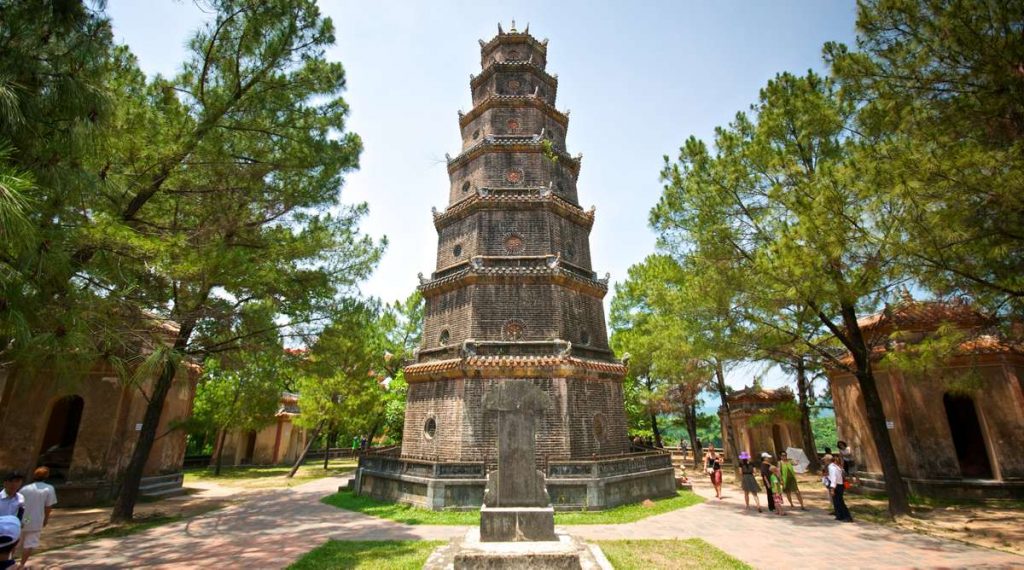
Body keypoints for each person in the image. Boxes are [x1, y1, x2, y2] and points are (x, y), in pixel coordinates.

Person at [18, 467, 57, 569]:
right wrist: (46, 519)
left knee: (17, 541)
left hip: (25, 518)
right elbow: (48, 507)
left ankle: (10, 562)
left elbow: (18, 504)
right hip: (36, 518)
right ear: (47, 476)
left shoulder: (25, 488)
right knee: (29, 542)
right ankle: (22, 564)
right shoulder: (48, 488)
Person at [826, 454, 853, 522]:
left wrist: (832, 488)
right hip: (839, 485)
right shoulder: (836, 467)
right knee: (837, 502)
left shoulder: (832, 467)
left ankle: (847, 517)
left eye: (825, 459)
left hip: (836, 486)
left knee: (840, 502)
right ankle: (840, 515)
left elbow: (834, 478)